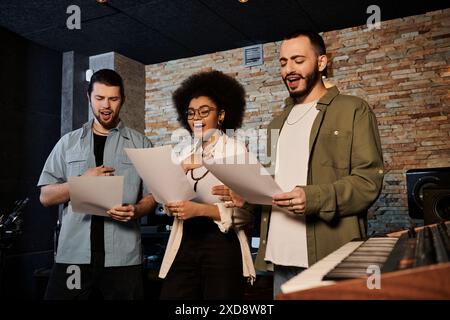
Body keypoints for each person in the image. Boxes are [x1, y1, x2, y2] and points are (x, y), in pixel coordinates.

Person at [218, 30, 384, 297]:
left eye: (298, 60)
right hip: (281, 258)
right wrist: (245, 197)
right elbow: (270, 187)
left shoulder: (354, 109)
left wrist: (313, 198)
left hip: (331, 259)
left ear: (321, 63)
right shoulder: (276, 123)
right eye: (283, 62)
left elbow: (368, 182)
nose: (289, 70)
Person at [38, 69, 156, 299]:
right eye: (99, 98)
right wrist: (81, 182)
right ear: (88, 98)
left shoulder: (141, 143)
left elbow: (152, 196)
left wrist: (138, 210)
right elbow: (46, 197)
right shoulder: (67, 143)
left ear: (122, 99)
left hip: (123, 258)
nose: (106, 106)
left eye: (113, 99)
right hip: (74, 257)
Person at [158, 70, 256, 300]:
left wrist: (201, 210)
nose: (197, 119)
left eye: (204, 111)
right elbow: (162, 196)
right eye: (191, 113)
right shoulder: (183, 152)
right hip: (185, 241)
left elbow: (245, 214)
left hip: (221, 245)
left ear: (220, 115)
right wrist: (177, 181)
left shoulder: (235, 151)